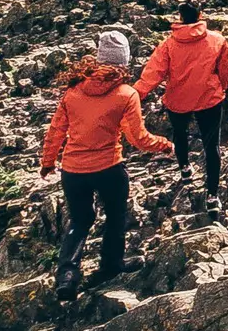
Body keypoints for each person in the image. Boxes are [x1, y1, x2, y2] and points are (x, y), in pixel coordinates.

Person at [41, 29, 173, 300]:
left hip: (73, 170)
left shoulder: (74, 90)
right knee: (115, 217)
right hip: (108, 168)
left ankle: (67, 275)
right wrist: (164, 144)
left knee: (80, 220)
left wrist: (48, 161)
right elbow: (138, 139)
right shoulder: (126, 94)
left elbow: (56, 130)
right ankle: (111, 266)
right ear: (124, 62)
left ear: (99, 59)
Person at [135, 0, 228, 209]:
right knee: (212, 146)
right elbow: (225, 70)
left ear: (180, 18)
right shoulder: (217, 40)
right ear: (200, 15)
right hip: (209, 98)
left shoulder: (169, 44)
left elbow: (153, 73)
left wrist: (134, 95)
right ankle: (212, 196)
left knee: (180, 135)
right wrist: (222, 87)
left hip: (178, 99)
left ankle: (185, 168)